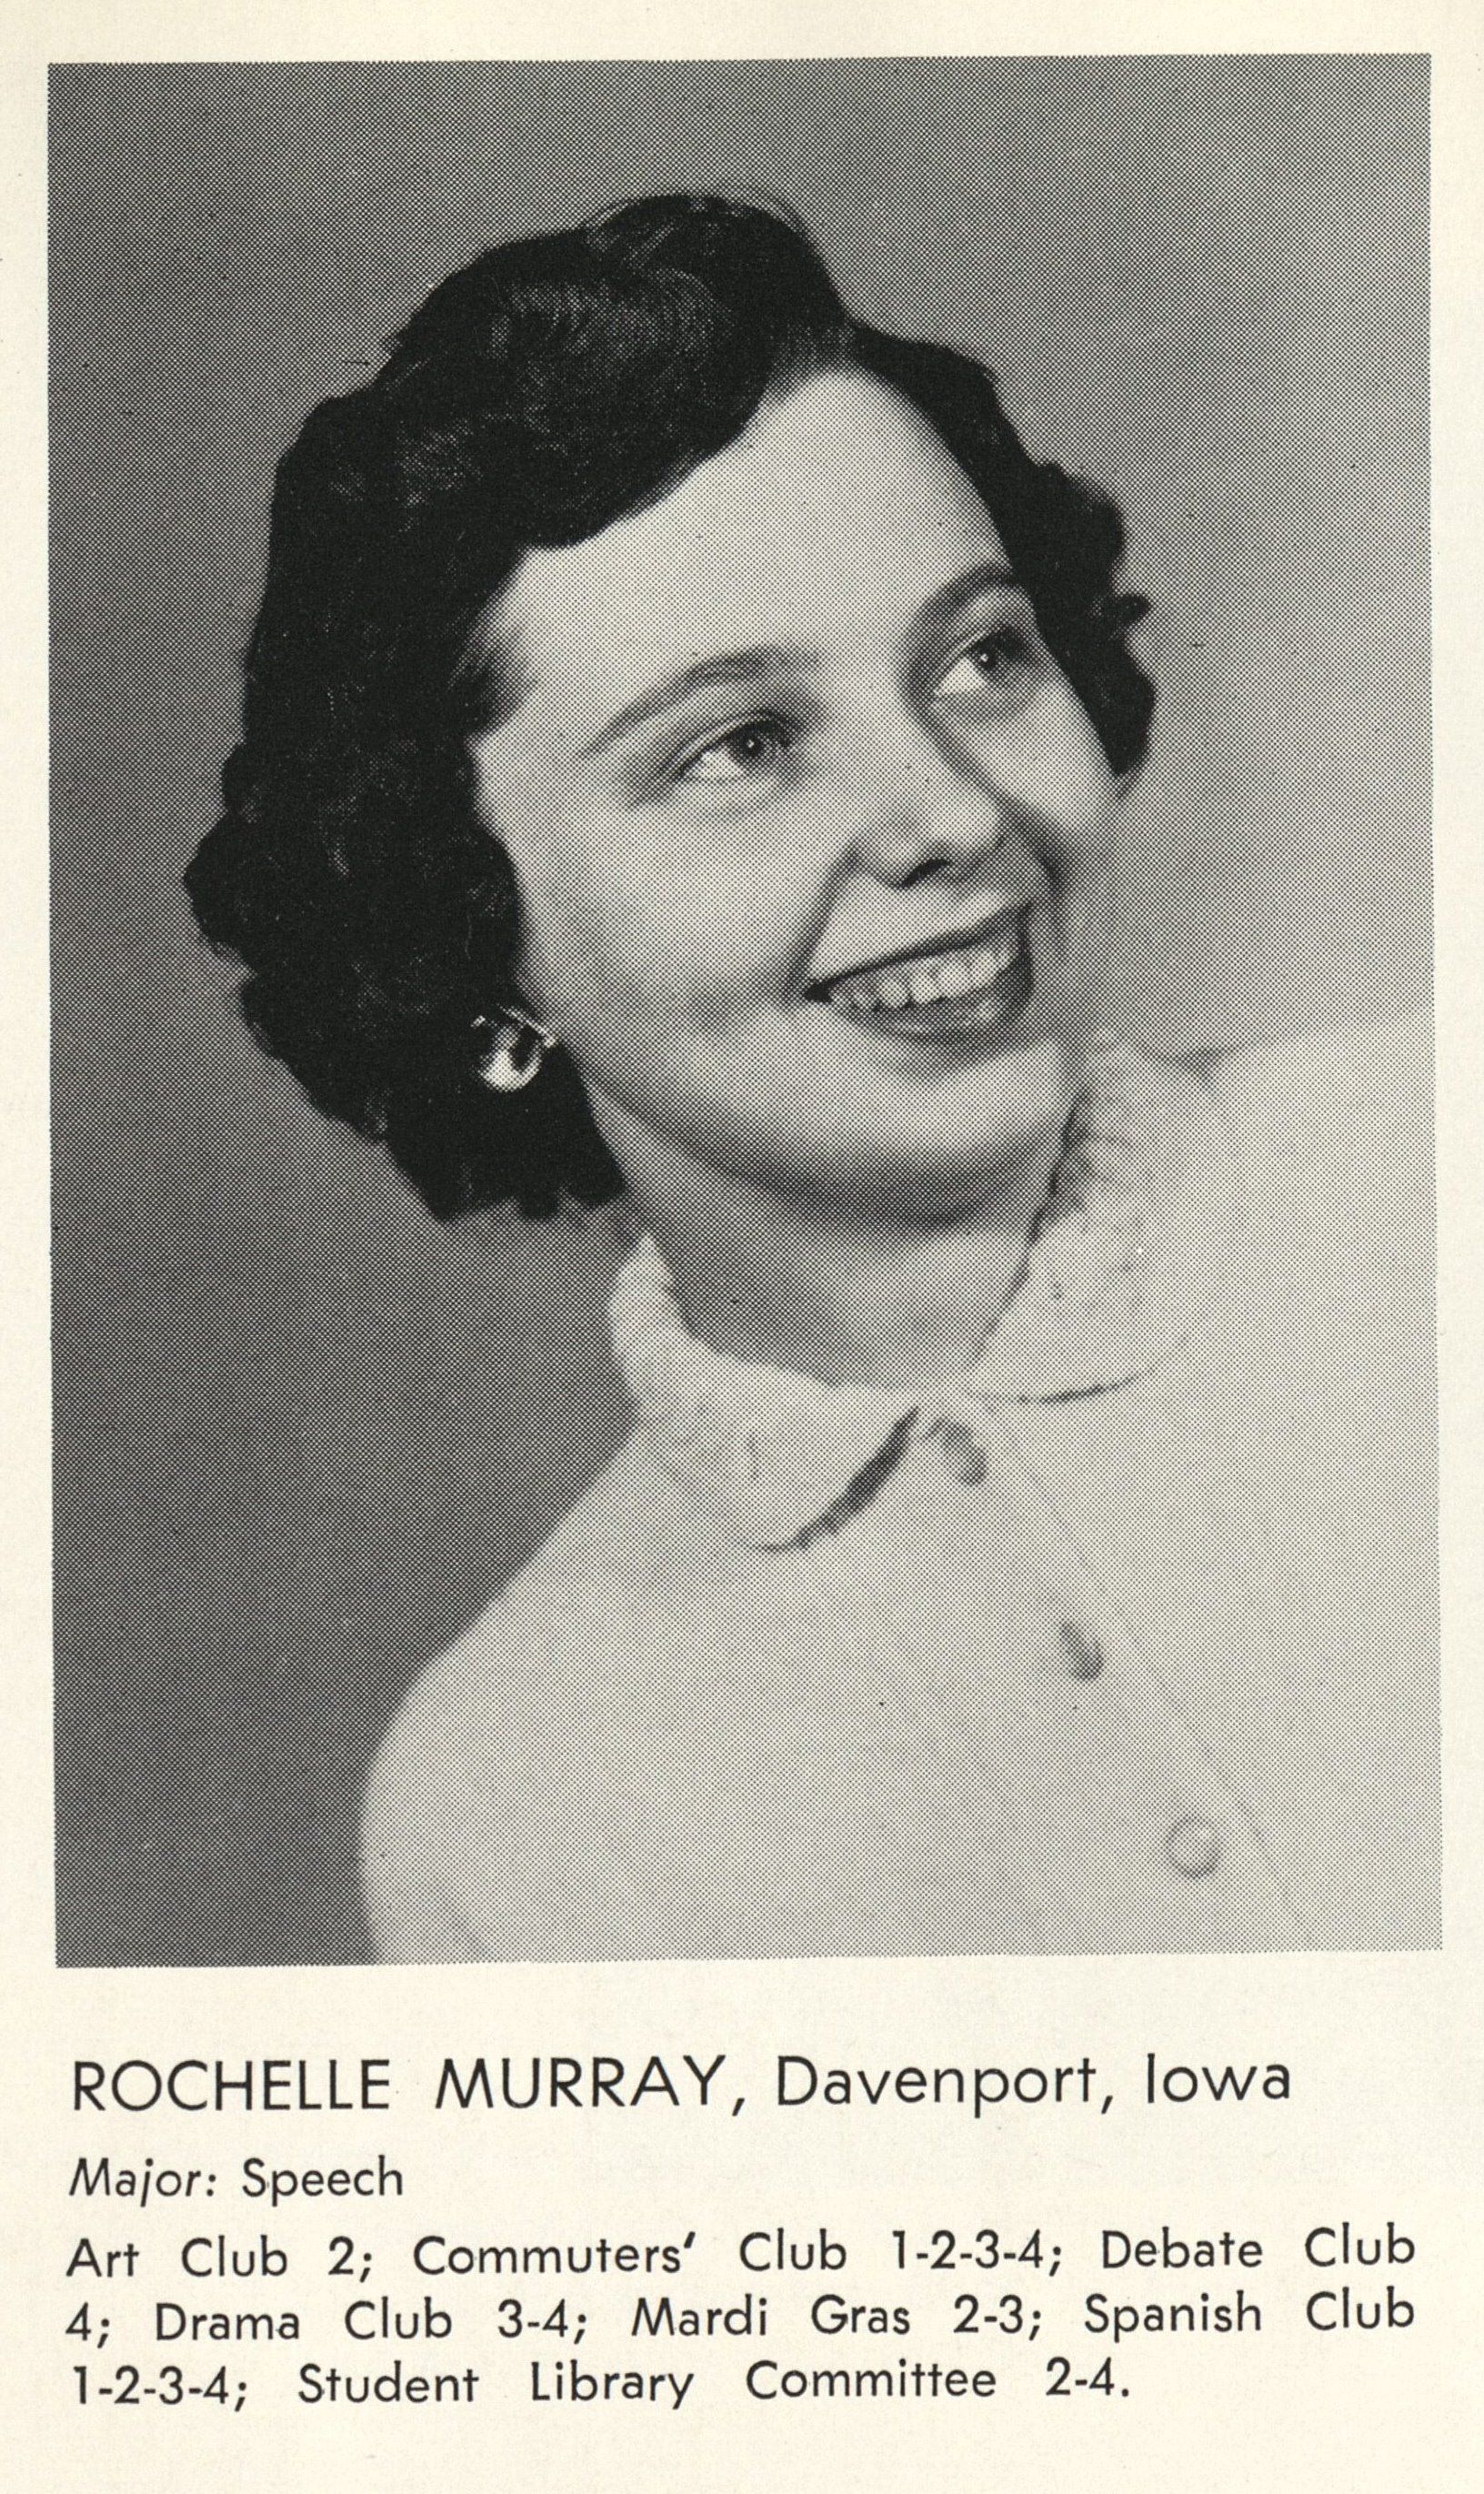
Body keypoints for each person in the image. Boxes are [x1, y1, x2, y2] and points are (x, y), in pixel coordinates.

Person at [186, 195, 1437, 1964]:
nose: (948, 813)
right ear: (470, 939)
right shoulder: (509, 1804)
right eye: (743, 744)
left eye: (982, 655)